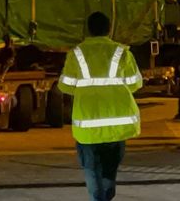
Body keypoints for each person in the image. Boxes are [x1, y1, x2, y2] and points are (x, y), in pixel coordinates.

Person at [58, 12, 143, 201]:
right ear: (109, 29)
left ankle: (98, 198)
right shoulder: (122, 52)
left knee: (91, 168)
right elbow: (135, 83)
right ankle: (106, 195)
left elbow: (65, 86)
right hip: (116, 126)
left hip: (88, 126)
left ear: (88, 29)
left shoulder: (76, 54)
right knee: (110, 168)